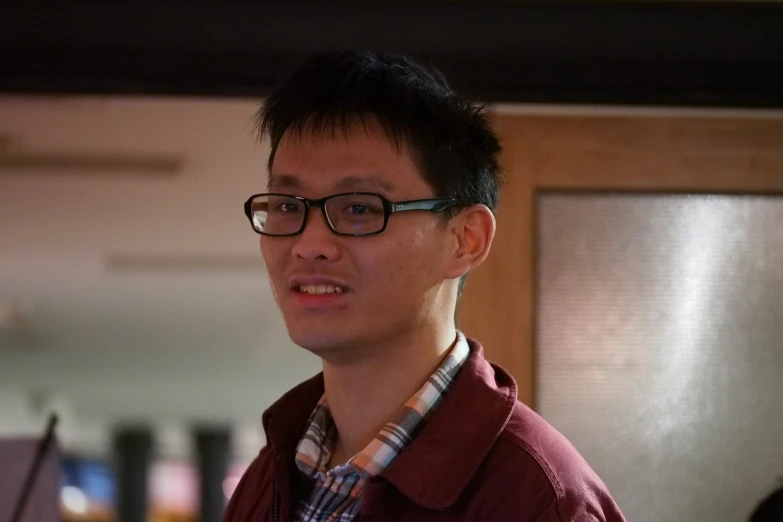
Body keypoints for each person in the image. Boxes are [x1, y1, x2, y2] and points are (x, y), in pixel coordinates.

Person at [226, 50, 626, 522]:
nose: (309, 244)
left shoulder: (538, 498)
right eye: (288, 206)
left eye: (359, 208)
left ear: (464, 240)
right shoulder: (271, 473)